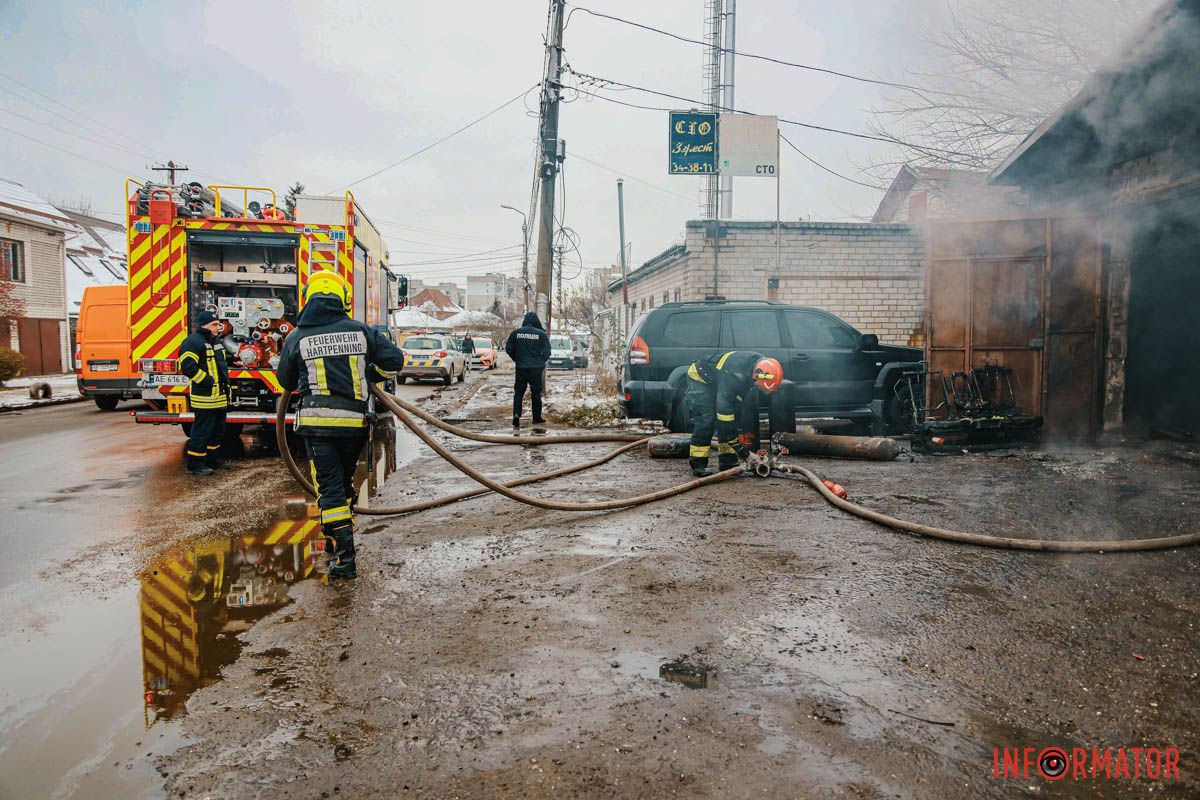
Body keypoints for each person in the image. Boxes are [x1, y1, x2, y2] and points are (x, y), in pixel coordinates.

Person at [277, 270, 406, 580]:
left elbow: (285, 380)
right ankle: (337, 535)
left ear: (309, 298)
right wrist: (370, 375)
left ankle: (345, 558)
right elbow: (395, 361)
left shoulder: (298, 335)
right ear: (342, 299)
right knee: (343, 482)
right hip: (354, 426)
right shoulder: (360, 331)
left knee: (330, 488)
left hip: (317, 428)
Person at [686, 351, 783, 477]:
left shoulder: (756, 367)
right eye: (758, 384)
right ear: (759, 375)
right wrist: (743, 452)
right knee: (707, 420)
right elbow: (724, 413)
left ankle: (728, 461)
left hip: (718, 379)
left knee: (732, 419)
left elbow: (733, 410)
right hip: (700, 378)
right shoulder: (735, 376)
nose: (756, 386)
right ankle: (698, 464)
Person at [178, 309, 231, 476]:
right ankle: (194, 463)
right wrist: (206, 380)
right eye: (214, 325)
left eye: (218, 324)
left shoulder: (215, 341)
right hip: (205, 397)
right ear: (204, 325)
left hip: (219, 397)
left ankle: (211, 459)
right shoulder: (193, 342)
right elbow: (187, 366)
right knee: (202, 432)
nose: (218, 327)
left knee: (218, 431)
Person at [504, 312, 551, 428]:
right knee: (536, 393)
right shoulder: (541, 334)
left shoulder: (516, 333)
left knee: (519, 392)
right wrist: (540, 361)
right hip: (536, 369)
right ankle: (536, 418)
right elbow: (547, 352)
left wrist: (517, 359)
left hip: (521, 368)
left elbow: (509, 349)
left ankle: (516, 415)